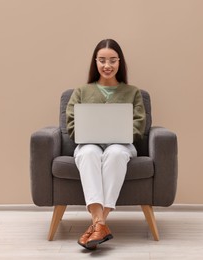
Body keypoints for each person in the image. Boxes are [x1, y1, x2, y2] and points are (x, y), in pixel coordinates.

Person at [66, 39, 146, 249]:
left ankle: (98, 224)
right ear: (95, 62)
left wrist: (117, 135)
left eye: (112, 60)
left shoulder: (132, 92)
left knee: (116, 153)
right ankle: (100, 224)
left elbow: (139, 125)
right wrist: (91, 135)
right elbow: (72, 125)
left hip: (121, 144)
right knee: (88, 153)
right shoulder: (82, 91)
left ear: (120, 62)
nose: (107, 65)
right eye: (102, 60)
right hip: (89, 143)